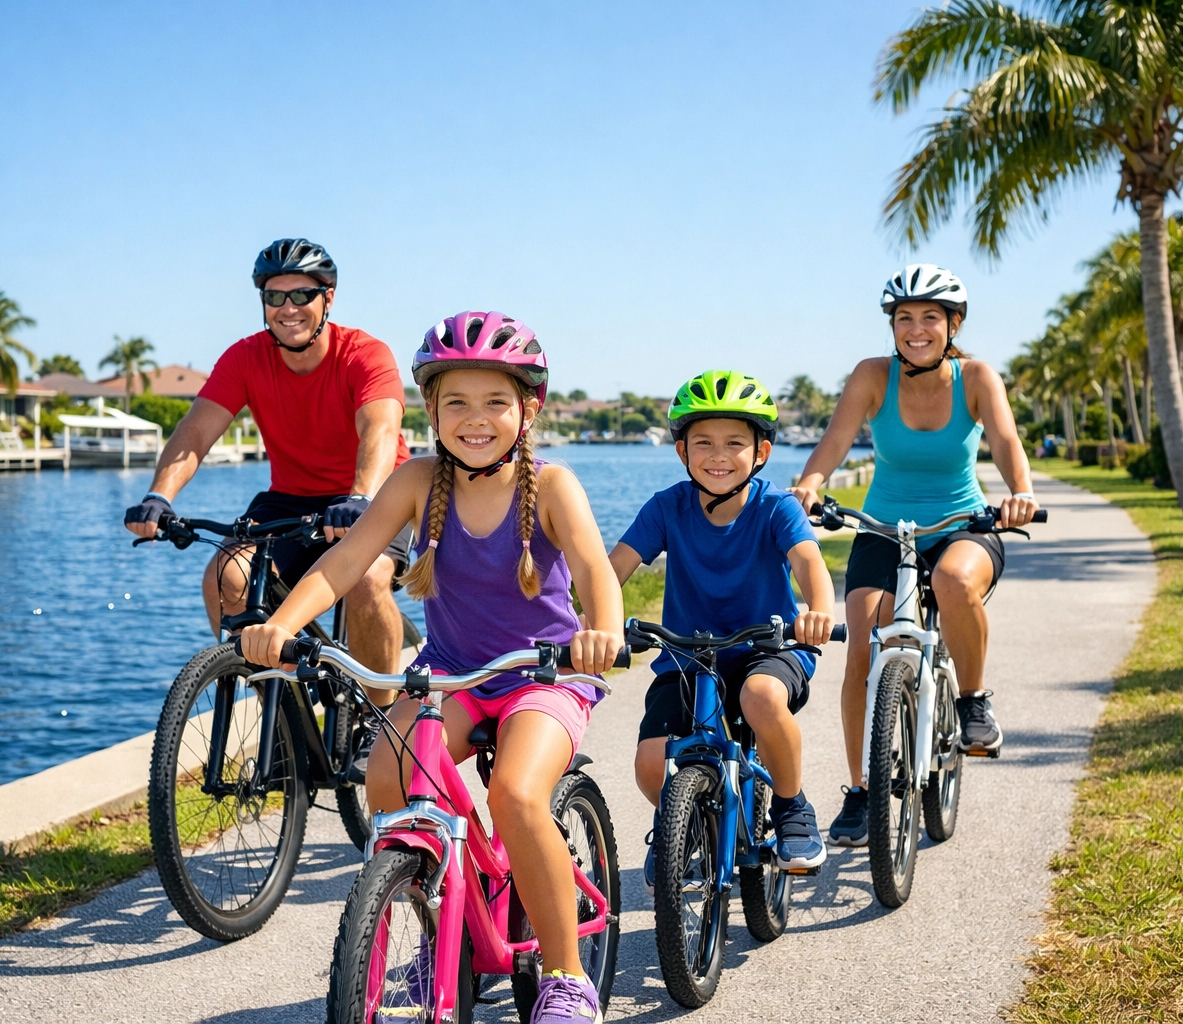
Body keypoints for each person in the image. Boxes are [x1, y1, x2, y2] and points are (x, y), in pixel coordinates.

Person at [239, 311, 624, 1024]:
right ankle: (440, 909)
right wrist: (281, 624)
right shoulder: (418, 479)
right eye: (457, 403)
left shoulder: (553, 484)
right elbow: (346, 561)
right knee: (384, 775)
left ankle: (568, 976)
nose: (475, 420)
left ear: (528, 407)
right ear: (432, 411)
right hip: (452, 673)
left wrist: (601, 634)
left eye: (494, 402)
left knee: (514, 794)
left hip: (545, 674)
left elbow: (599, 573)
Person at [124, 238, 412, 779]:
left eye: (302, 294)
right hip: (291, 495)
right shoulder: (246, 357)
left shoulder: (365, 353)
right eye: (275, 296)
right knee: (225, 577)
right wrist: (160, 495)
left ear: (328, 299)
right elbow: (196, 432)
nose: (288, 308)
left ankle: (378, 718)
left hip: (372, 491)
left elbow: (380, 428)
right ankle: (283, 713)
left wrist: (361, 497)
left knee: (369, 578)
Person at [789, 264, 1040, 847]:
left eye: (930, 317)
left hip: (962, 523)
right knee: (862, 642)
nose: (916, 329)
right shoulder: (872, 376)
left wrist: (1020, 492)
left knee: (955, 583)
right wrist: (812, 482)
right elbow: (834, 441)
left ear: (953, 324)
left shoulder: (976, 376)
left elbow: (1004, 439)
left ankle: (974, 702)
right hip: (884, 526)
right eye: (905, 318)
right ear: (893, 327)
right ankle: (860, 790)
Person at [609, 371, 836, 894]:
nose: (718, 455)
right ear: (682, 450)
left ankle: (790, 805)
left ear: (760, 451)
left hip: (769, 647)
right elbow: (612, 568)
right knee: (651, 762)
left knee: (760, 696)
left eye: (735, 443)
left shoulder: (774, 506)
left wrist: (819, 611)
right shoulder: (668, 507)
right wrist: (595, 622)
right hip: (688, 657)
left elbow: (808, 564)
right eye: (703, 443)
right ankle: (690, 825)